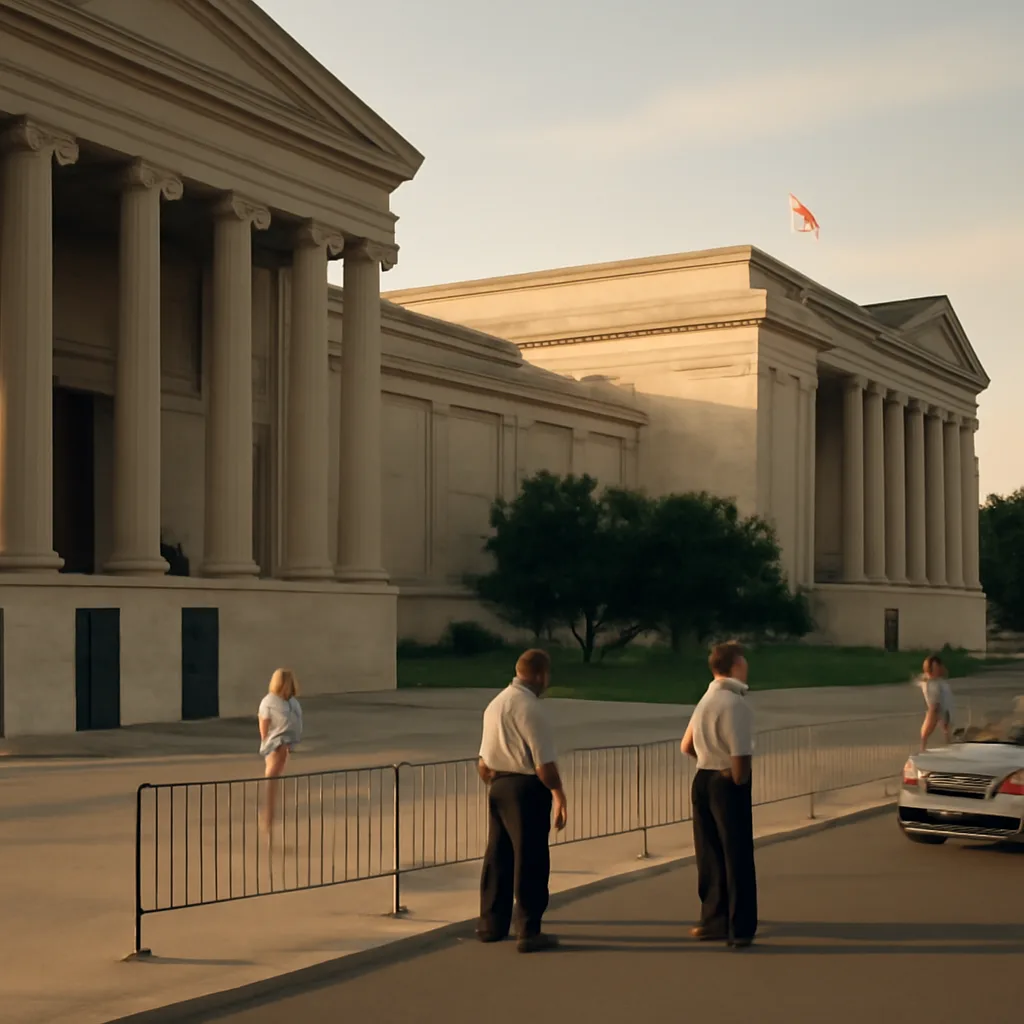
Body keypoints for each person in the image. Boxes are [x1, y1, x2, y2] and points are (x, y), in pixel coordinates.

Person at [476, 648, 568, 953]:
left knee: (498, 856)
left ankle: (492, 923)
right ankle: (529, 930)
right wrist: (559, 795)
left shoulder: (495, 705)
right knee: (530, 858)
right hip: (526, 787)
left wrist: (495, 783)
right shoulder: (531, 708)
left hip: (497, 783)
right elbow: (544, 765)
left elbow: (482, 762)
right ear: (542, 675)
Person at [680, 641, 757, 948]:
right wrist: (736, 776)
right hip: (726, 782)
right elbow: (740, 755)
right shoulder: (735, 703)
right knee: (736, 854)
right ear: (735, 664)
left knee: (709, 853)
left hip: (703, 776)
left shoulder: (705, 699)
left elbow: (686, 746)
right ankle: (740, 927)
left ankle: (713, 918)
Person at [258, 668, 303, 835]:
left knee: (274, 780)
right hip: (277, 743)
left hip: (286, 744)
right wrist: (268, 742)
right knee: (271, 779)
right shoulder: (269, 702)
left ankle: (268, 815)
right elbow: (263, 723)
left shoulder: (291, 702)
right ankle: (267, 817)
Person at [918, 653, 954, 751]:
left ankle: (924, 749)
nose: (938, 669)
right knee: (939, 732)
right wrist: (933, 713)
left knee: (947, 733)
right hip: (939, 710)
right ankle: (923, 749)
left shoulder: (937, 681)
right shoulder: (932, 684)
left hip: (944, 711)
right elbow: (934, 703)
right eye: (935, 667)